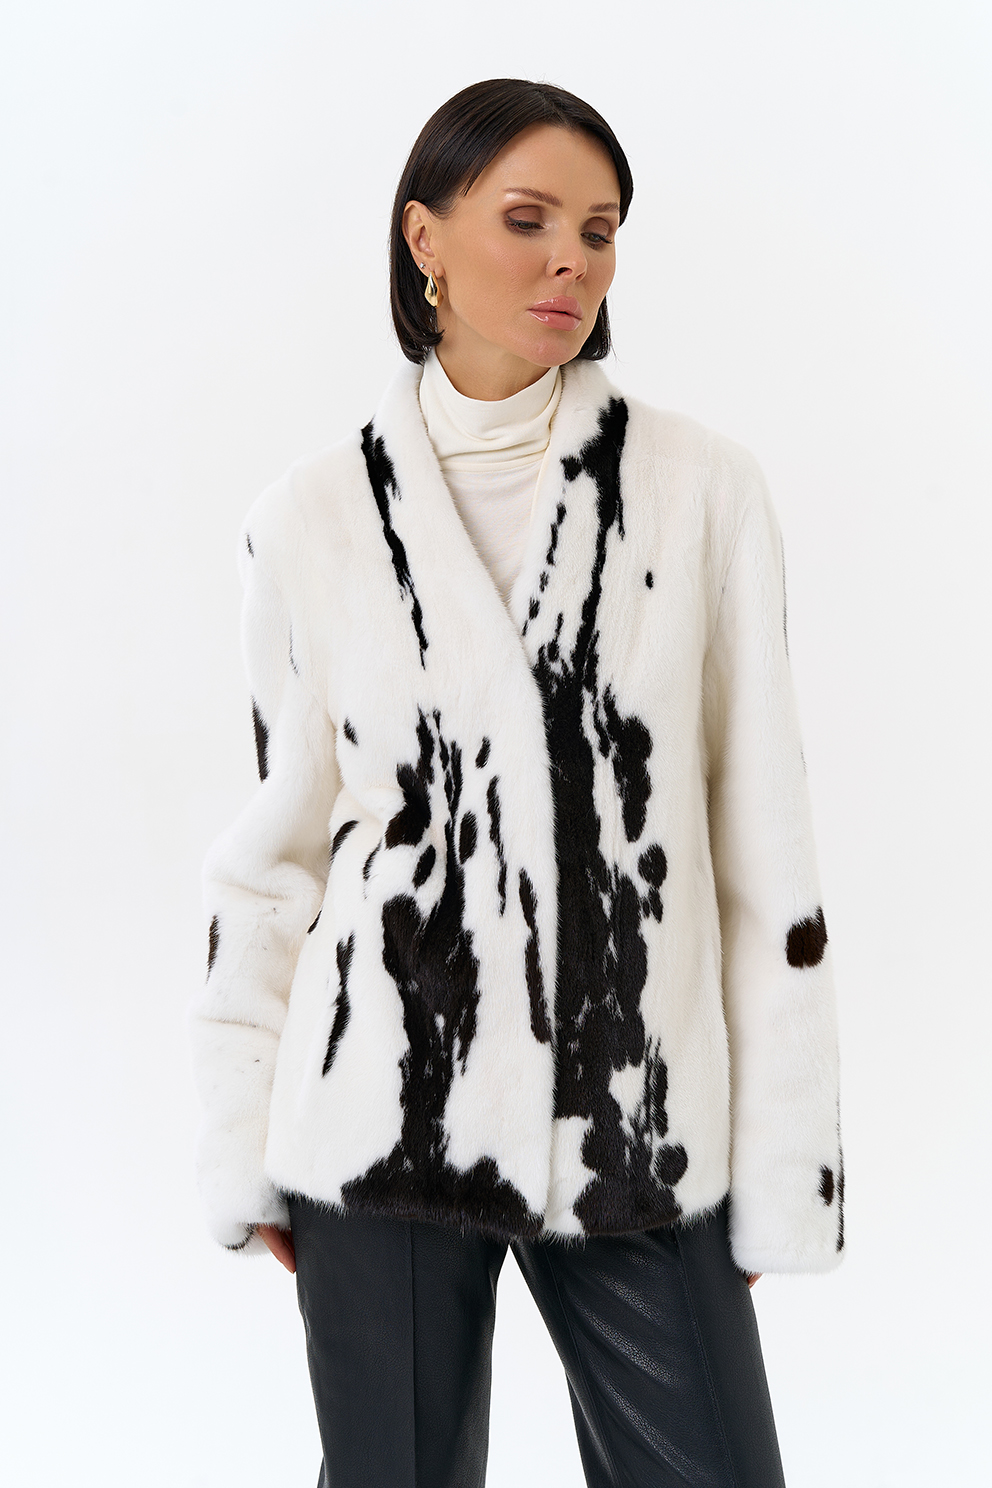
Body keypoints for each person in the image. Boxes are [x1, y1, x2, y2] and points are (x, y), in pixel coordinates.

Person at [188, 77, 844, 1488]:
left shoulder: (698, 492)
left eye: (600, 232)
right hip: (378, 1121)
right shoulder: (311, 519)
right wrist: (243, 1140)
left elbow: (762, 848)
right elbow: (279, 852)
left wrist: (779, 1167)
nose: (572, 263)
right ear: (424, 238)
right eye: (529, 220)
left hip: (635, 1126)